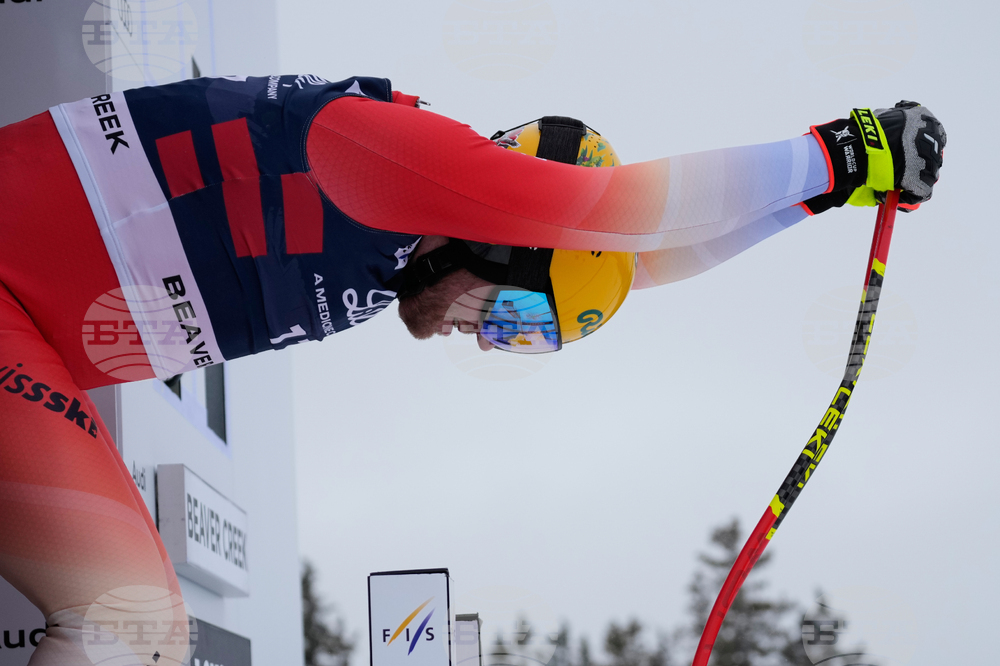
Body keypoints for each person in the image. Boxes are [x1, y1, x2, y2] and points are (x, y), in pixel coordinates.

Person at [0, 74, 945, 665]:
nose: (486, 339)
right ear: (501, 235)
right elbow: (624, 213)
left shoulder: (404, 243)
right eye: (512, 316)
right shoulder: (393, 160)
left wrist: (818, 202)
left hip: (24, 328)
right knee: (127, 622)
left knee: (142, 629)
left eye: (526, 337)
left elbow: (646, 259)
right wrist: (837, 152)